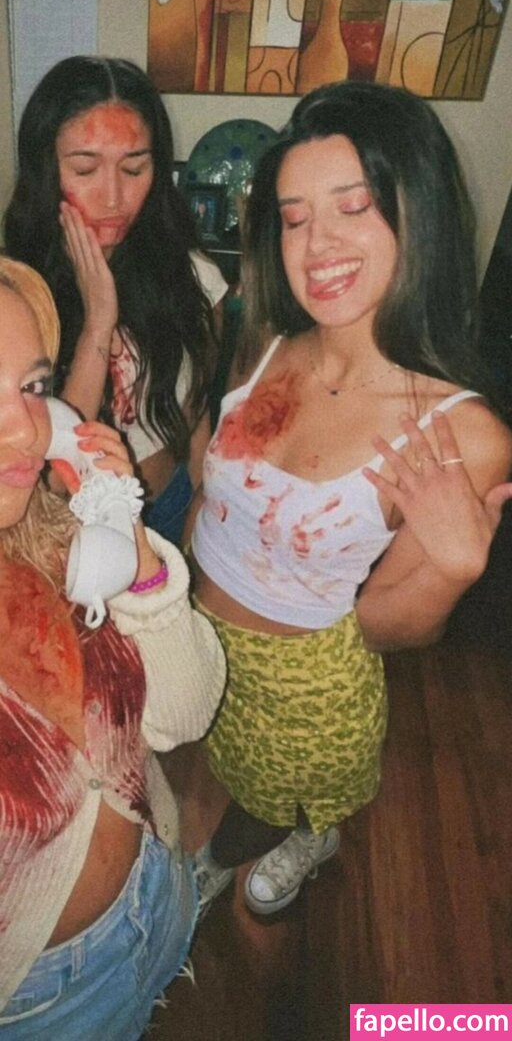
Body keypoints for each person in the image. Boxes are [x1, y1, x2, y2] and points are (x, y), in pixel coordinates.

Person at [188, 80, 512, 917]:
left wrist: (452, 571)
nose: (316, 244)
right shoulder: (265, 339)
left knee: (285, 798)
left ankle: (287, 843)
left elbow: (382, 629)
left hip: (309, 685)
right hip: (203, 641)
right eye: (294, 218)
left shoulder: (458, 432)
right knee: (233, 771)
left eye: (353, 206)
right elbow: (212, 485)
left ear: (416, 212)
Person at [0, 257, 226, 1039]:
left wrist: (126, 539)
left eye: (31, 386)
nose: (27, 428)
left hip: (155, 888)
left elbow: (186, 713)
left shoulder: (58, 532)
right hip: (42, 1000)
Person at [3, 55, 227, 545]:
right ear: (46, 171)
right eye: (85, 169)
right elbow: (51, 470)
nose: (112, 197)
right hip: (69, 527)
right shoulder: (16, 297)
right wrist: (98, 320)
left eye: (134, 168)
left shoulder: (194, 277)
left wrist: (200, 513)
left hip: (170, 507)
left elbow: (197, 416)